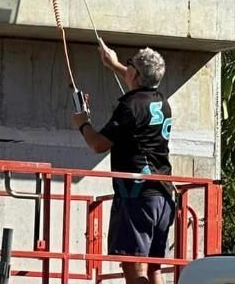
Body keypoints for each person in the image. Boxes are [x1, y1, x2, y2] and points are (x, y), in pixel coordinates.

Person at [71, 41, 175, 284]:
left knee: (133, 266)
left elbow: (98, 144)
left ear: (135, 74)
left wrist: (82, 123)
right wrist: (114, 64)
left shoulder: (130, 106)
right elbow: (141, 81)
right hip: (162, 194)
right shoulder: (162, 101)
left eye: (130, 65)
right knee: (153, 268)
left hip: (137, 195)